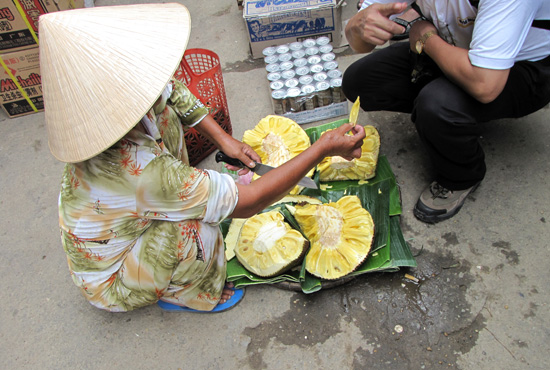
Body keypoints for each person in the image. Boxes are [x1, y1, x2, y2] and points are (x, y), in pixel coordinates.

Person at [39, 3, 366, 313]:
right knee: (199, 231)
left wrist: (227, 141)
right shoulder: (140, 170)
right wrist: (321, 148)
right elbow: (249, 202)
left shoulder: (119, 110)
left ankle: (180, 204)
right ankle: (186, 293)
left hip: (124, 220)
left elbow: (172, 91)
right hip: (113, 279)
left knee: (165, 116)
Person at [343, 0, 550, 223]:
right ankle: (452, 119)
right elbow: (358, 42)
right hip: (453, 46)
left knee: (437, 105)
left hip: (515, 69)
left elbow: (485, 85)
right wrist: (358, 26)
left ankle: (461, 176)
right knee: (360, 81)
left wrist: (425, 37)